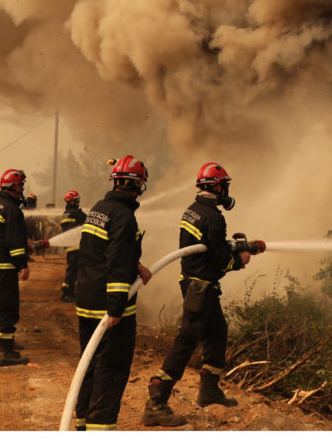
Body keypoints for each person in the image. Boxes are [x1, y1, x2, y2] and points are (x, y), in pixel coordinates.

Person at [144, 162, 265, 426]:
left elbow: (211, 246)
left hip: (196, 283)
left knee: (218, 331)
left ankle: (209, 391)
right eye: (224, 185)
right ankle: (156, 400)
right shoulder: (213, 216)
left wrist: (239, 245)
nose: (226, 190)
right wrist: (240, 259)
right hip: (200, 287)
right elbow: (220, 259)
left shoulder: (194, 210)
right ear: (216, 186)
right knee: (187, 339)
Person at [73, 157, 154, 431]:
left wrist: (137, 265)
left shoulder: (99, 209)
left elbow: (98, 254)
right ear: (138, 185)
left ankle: (82, 424)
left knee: (89, 367)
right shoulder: (124, 217)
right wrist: (117, 308)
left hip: (87, 299)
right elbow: (117, 265)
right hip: (108, 307)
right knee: (110, 371)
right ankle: (100, 429)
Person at [0, 168, 31, 366]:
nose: (22, 189)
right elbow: (14, 241)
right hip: (4, 265)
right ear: (14, 186)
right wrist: (22, 265)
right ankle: (7, 353)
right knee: (7, 308)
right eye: (21, 185)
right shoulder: (12, 210)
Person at [59, 190, 85, 302]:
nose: (78, 202)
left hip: (69, 245)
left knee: (71, 269)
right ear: (73, 201)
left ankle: (68, 289)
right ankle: (67, 293)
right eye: (77, 200)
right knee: (75, 270)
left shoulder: (65, 213)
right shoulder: (77, 213)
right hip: (76, 245)